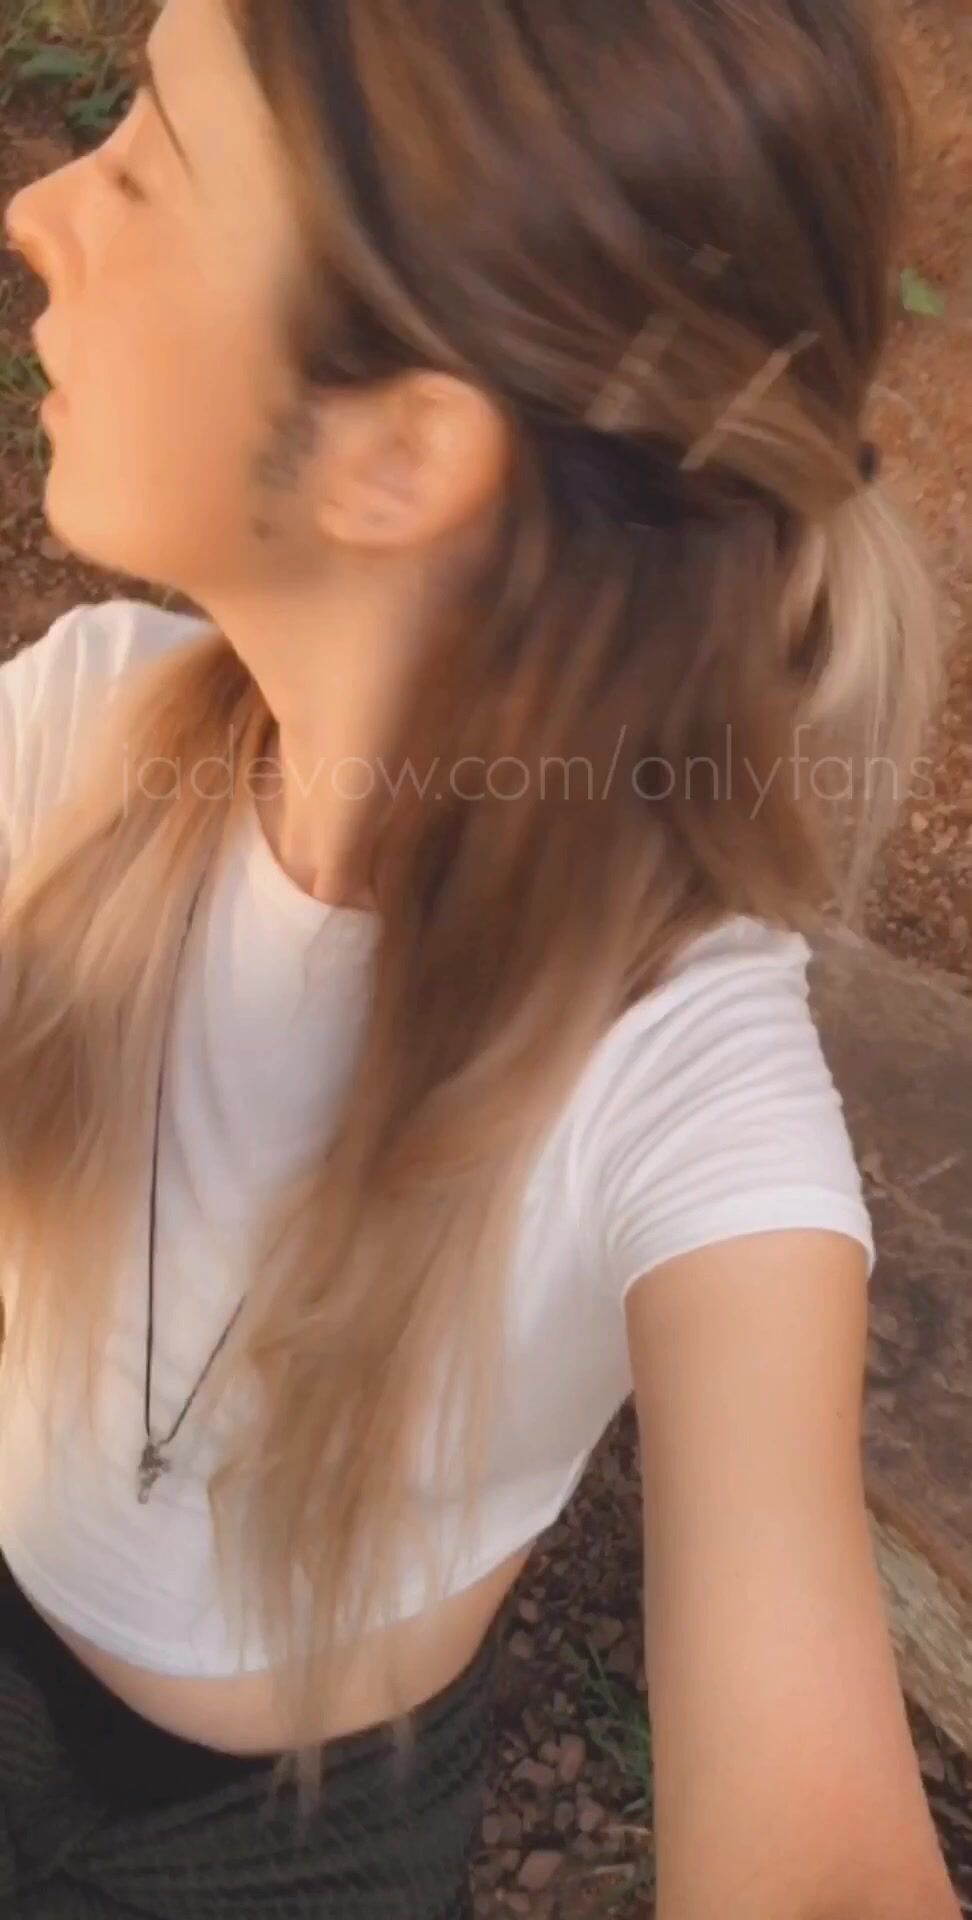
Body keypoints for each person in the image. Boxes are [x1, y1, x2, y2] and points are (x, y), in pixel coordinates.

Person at [0, 0, 960, 1914]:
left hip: (291, 1857)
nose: (40, 207)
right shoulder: (81, 726)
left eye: (154, 161)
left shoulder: (684, 1083)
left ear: (397, 454)